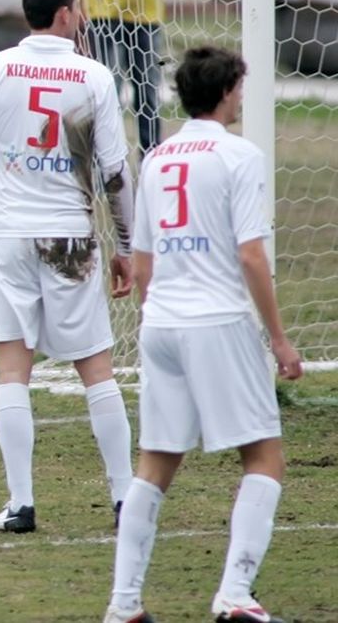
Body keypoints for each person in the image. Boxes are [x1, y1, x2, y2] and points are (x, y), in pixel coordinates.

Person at [102, 46, 303, 623]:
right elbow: (250, 256)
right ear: (225, 91)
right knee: (264, 455)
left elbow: (141, 265)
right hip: (217, 322)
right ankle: (236, 595)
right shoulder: (240, 156)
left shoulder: (159, 157)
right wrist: (281, 340)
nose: (243, 97)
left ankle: (124, 604)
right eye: (240, 87)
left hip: (161, 323)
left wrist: (160, 318)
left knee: (155, 465)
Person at [0, 0, 136, 534]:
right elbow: (116, 172)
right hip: (70, 236)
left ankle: (22, 503)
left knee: (12, 368)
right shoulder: (94, 76)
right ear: (66, 14)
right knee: (97, 369)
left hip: (8, 235)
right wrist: (126, 245)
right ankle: (125, 499)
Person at [82, 0, 164, 157]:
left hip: (145, 10)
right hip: (103, 10)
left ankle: (151, 158)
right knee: (107, 89)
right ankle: (106, 159)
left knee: (148, 90)